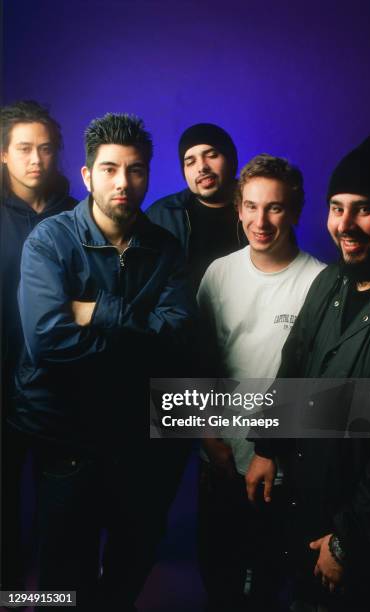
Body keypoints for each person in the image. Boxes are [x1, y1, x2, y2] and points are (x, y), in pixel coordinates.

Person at [9, 112, 196, 611]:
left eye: (135, 170)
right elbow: (47, 341)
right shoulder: (50, 242)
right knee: (61, 580)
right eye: (110, 169)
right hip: (64, 437)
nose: (123, 182)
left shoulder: (165, 250)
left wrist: (97, 312)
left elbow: (176, 335)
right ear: (89, 175)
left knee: (128, 569)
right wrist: (137, 332)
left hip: (134, 439)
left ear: (148, 176)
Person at [246, 131, 370, 612]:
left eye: (364, 207)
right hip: (309, 508)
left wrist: (347, 540)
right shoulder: (330, 281)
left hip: (365, 538)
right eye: (337, 207)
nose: (345, 225)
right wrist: (267, 447)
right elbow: (292, 370)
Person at [197, 154, 325, 612]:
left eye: (274, 208)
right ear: (238, 208)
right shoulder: (219, 274)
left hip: (281, 466)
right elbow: (199, 362)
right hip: (220, 455)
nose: (260, 220)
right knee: (219, 576)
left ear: (294, 211)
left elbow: (316, 385)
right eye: (250, 206)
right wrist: (208, 436)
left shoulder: (320, 282)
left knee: (268, 582)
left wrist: (270, 452)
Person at [0, 100, 76, 590]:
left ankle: (52, 596)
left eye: (45, 149)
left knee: (62, 511)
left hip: (60, 388)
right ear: (3, 154)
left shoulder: (77, 214)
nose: (36, 160)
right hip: (1, 383)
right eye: (24, 148)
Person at [146, 122, 245, 289]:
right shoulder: (160, 216)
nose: (202, 167)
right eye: (190, 162)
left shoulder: (259, 210)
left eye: (212, 155)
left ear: (231, 160)